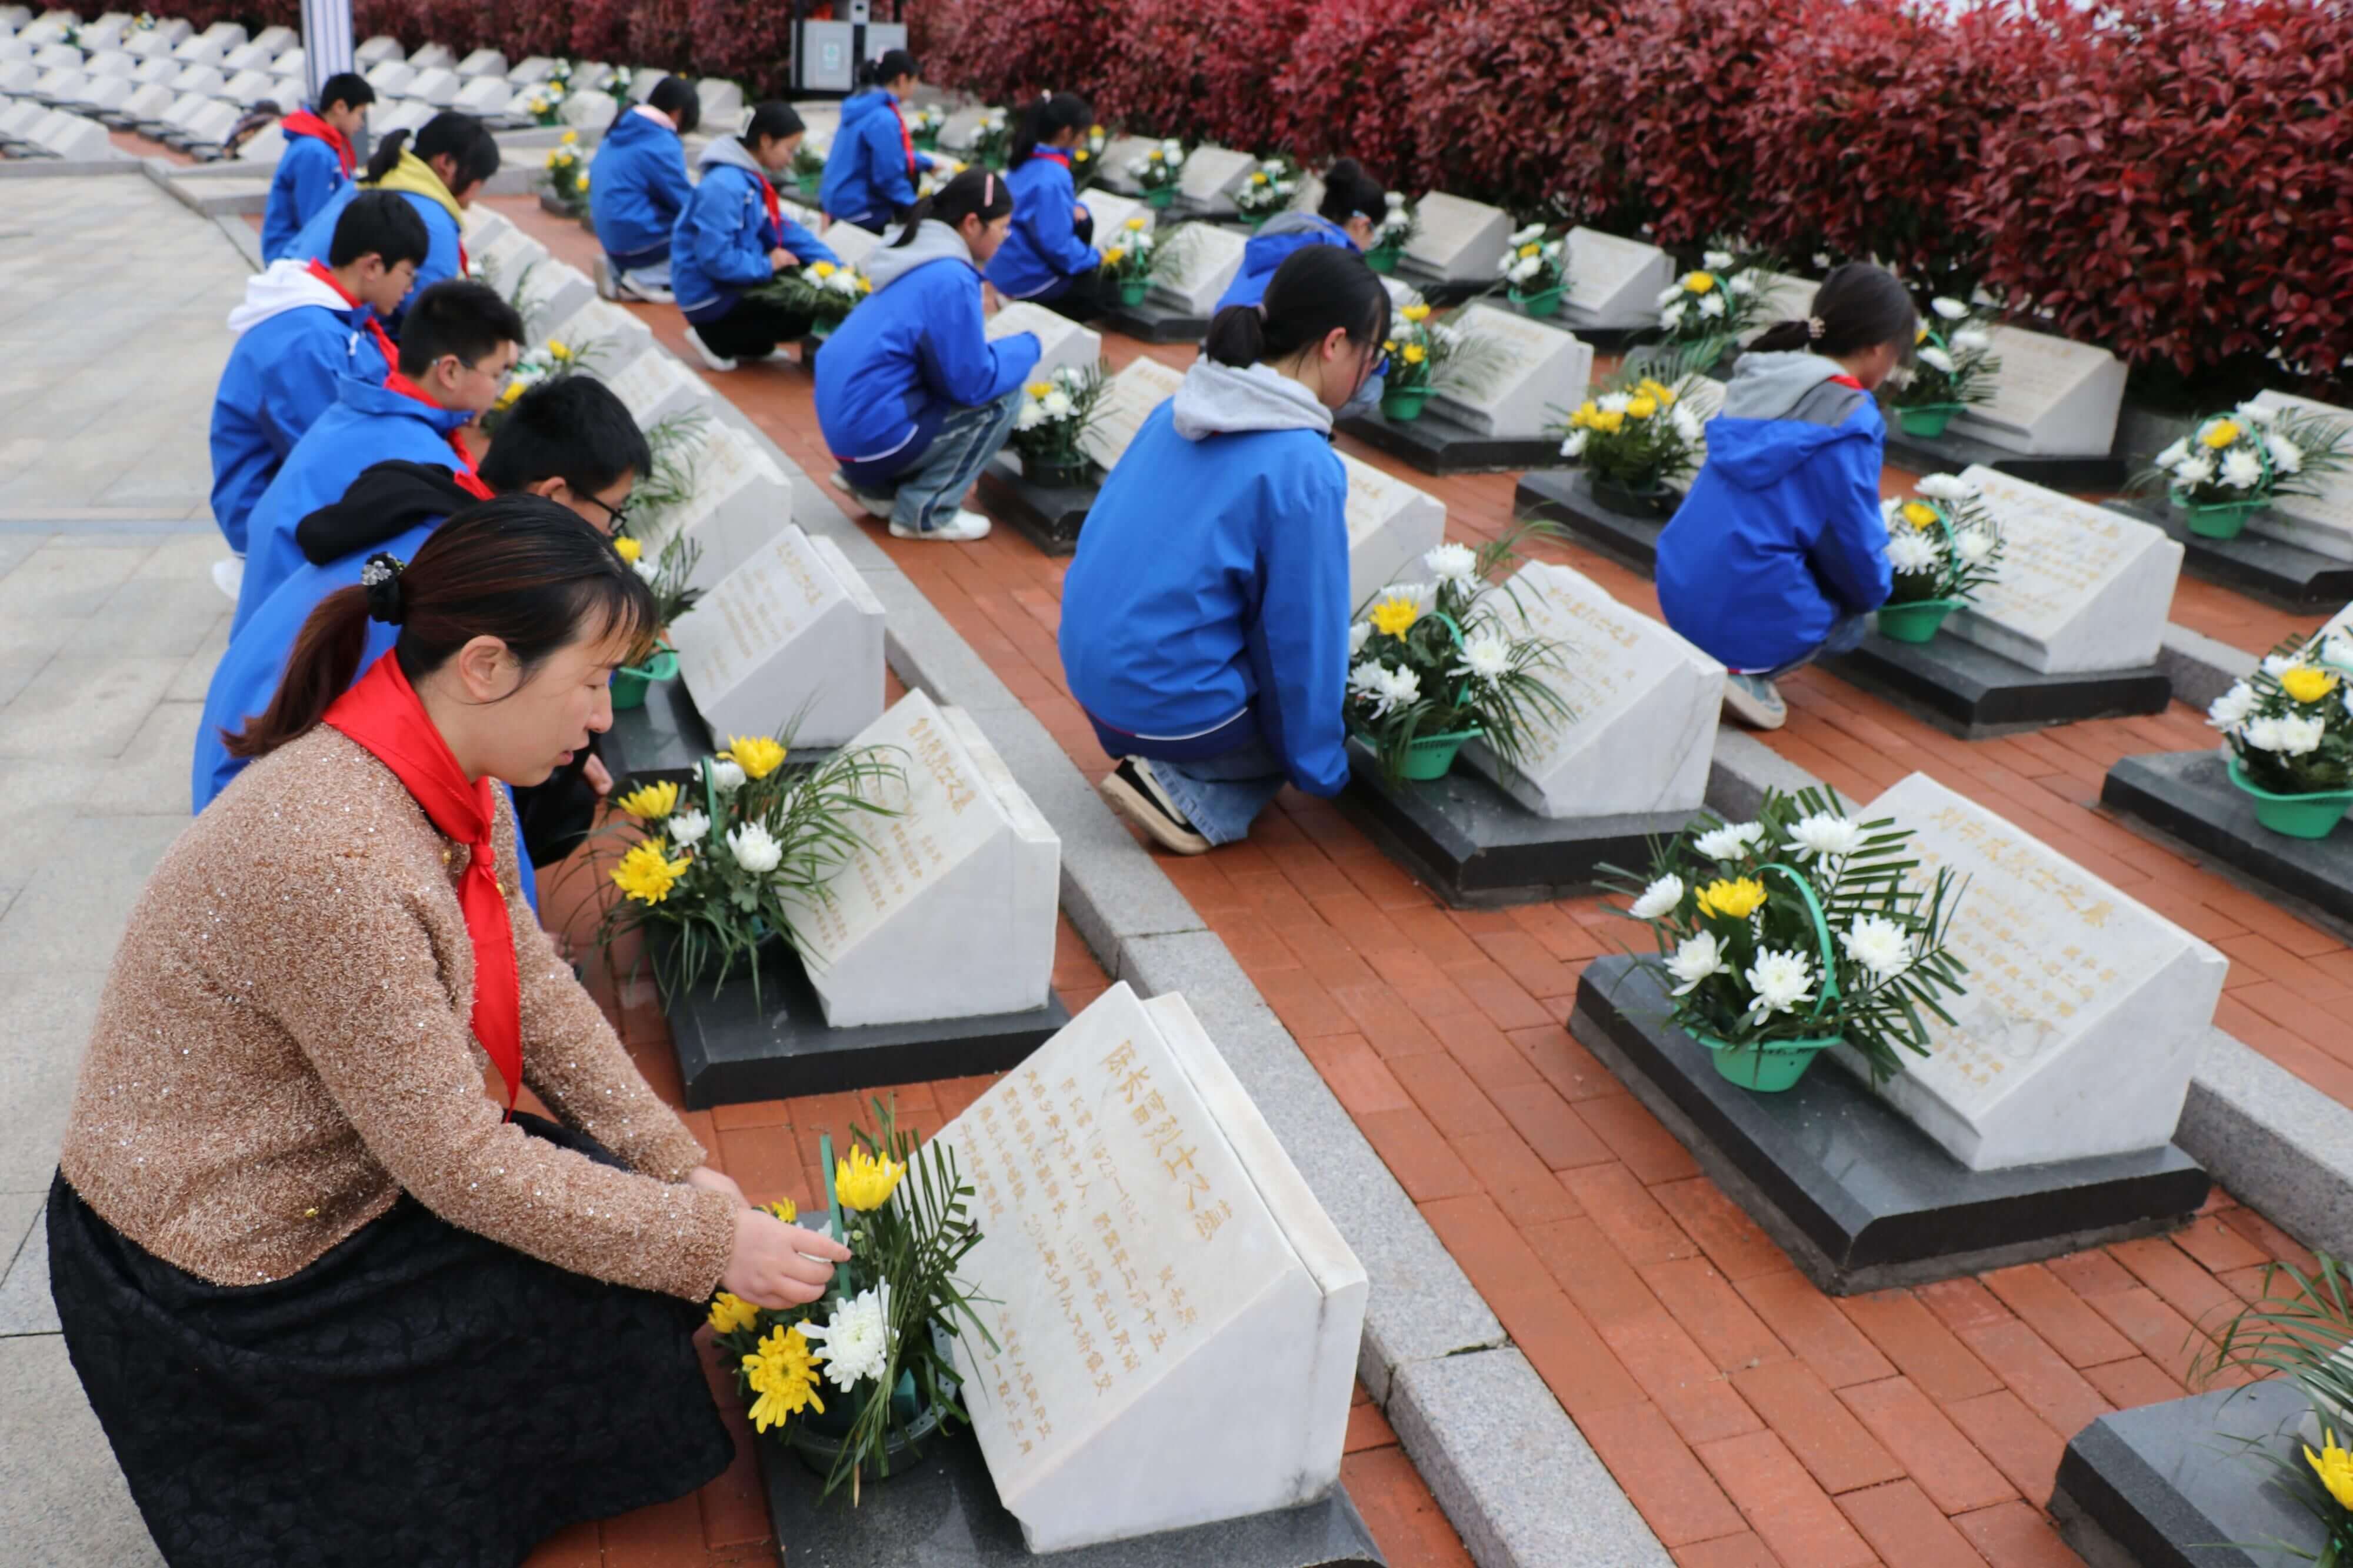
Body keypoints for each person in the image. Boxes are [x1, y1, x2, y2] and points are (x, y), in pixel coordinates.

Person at [49, 498, 854, 1568]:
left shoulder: (441, 767)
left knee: (626, 1234)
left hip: (338, 1164)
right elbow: (460, 1164)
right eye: (591, 681)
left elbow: (533, 982)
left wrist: (676, 1166)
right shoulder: (336, 862)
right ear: (486, 665)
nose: (602, 718)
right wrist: (708, 1241)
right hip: (223, 1260)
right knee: (611, 1283)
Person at [195, 374, 650, 828]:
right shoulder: (464, 584)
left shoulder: (440, 525)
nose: (612, 533)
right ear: (553, 495)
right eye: (614, 511)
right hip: (271, 816)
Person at [1058, 245, 1387, 852]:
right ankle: (1187, 795)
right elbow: (1300, 636)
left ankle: (1171, 751)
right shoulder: (1303, 464)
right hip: (1166, 705)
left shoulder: (1180, 405)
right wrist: (1323, 765)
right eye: (1375, 355)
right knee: (1288, 731)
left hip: (1091, 676)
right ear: (1336, 343)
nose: (1373, 372)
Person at [1654, 262, 1914, 730]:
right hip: (1742, 602)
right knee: (1852, 616)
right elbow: (1850, 534)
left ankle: (1718, 649)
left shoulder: (1763, 375)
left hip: (1678, 581)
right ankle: (1745, 672)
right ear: (1879, 349)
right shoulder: (1850, 415)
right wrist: (1878, 589)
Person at [234, 279, 524, 635]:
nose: (499, 390)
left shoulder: (359, 413)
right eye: (497, 375)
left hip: (262, 627)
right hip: (298, 643)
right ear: (450, 371)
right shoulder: (422, 463)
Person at [816, 169, 1037, 543]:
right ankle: (926, 513)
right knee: (1003, 401)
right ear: (972, 224)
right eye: (1003, 227)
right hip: (871, 439)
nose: (1006, 237)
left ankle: (874, 489)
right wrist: (1028, 346)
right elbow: (972, 383)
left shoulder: (915, 256)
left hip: (847, 430)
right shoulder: (950, 275)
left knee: (930, 382)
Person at [208, 192, 427, 569]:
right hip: (276, 527)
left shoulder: (332, 318)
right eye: (409, 274)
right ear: (373, 266)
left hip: (294, 504)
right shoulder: (309, 338)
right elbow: (329, 455)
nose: (410, 289)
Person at [284, 112, 501, 327]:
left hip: (288, 309)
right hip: (328, 332)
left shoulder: (365, 182)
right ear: (447, 163)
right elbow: (439, 325)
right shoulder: (434, 223)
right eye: (480, 180)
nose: (476, 194)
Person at [672, 101, 839, 373]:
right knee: (803, 309)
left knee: (807, 275)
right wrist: (767, 264)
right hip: (709, 297)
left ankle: (751, 345)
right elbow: (715, 258)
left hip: (727, 286)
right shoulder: (725, 186)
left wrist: (833, 266)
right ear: (765, 141)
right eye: (789, 150)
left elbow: (780, 228)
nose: (791, 160)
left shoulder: (747, 178)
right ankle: (713, 337)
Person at [983, 91, 1110, 322]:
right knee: (1103, 292)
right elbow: (1056, 245)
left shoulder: (1023, 158)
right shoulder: (1053, 176)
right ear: (1066, 133)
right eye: (1083, 134)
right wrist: (1096, 257)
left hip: (1001, 267)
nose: (1084, 140)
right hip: (1024, 278)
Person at [590, 75, 702, 304]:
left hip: (613, 236)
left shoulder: (622, 127)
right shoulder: (659, 140)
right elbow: (684, 202)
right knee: (706, 236)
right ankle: (647, 278)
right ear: (678, 113)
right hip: (637, 238)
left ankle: (619, 270)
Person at [259, 71, 374, 262]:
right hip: (291, 257)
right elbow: (317, 222)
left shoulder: (324, 146)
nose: (361, 123)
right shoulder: (315, 153)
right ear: (340, 107)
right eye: (360, 114)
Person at [819, 49, 932, 230]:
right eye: (915, 82)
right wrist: (918, 208)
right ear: (902, 79)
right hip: (858, 210)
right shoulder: (883, 117)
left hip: (837, 202)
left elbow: (886, 156)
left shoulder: (862, 106)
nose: (915, 88)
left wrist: (926, 163)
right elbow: (888, 177)